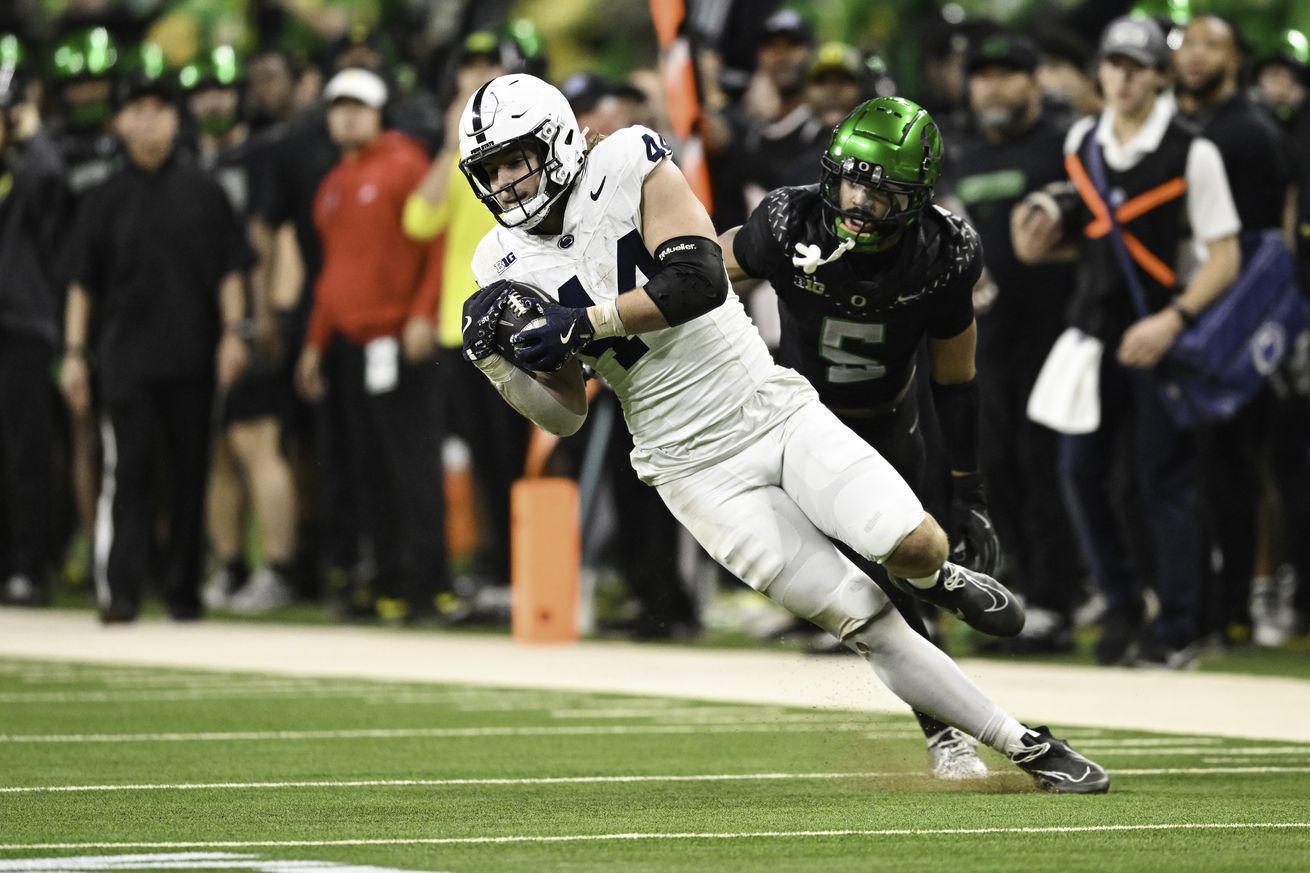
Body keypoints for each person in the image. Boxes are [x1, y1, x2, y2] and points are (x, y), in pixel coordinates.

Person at [457, 73, 1109, 794]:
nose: (503, 182)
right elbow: (567, 413)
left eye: (512, 159)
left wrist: (584, 322)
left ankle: (940, 577)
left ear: (554, 139)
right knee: (864, 617)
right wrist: (500, 366)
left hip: (767, 406)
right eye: (487, 170)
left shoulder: (627, 159)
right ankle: (1026, 745)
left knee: (915, 543)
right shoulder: (497, 262)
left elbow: (701, 278)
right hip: (688, 468)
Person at [719, 94, 1004, 779]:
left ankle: (947, 730)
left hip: (885, 426)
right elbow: (701, 274)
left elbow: (956, 377)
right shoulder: (790, 220)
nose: (860, 203)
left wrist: (969, 489)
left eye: (882, 194)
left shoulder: (945, 250)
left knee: (889, 589)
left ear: (916, 199)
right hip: (795, 422)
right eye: (852, 181)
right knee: (845, 585)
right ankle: (939, 600)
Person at [1012, 16, 1241, 668]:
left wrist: (1174, 319)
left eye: (1137, 66)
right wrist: (1043, 241)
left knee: (1161, 480)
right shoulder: (1084, 139)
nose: (1122, 77)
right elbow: (1091, 241)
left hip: (1161, 334)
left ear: (1159, 77)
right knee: (1078, 471)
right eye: (1113, 64)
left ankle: (1178, 625)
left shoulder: (1191, 150)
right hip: (1093, 331)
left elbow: (1224, 257)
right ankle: (1120, 603)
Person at [58, 68, 250, 623]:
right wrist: (74, 353)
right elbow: (81, 283)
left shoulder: (206, 192)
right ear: (119, 121)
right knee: (129, 474)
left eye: (159, 109)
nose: (149, 119)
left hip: (194, 356)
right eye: (137, 109)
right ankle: (120, 590)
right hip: (126, 360)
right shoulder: (102, 198)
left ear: (175, 118)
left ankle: (184, 593)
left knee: (191, 475)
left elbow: (230, 272)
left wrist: (234, 335)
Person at [944, 33, 1083, 651]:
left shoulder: (1063, 144)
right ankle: (1020, 592)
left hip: (1060, 335)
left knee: (1049, 466)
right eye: (983, 75)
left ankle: (1060, 597)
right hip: (985, 342)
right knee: (996, 469)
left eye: (1008, 74)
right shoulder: (962, 154)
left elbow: (1096, 217)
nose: (993, 87)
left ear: (1036, 82)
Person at [294, 68, 445, 624]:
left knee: (411, 468)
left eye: (358, 106)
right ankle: (385, 579)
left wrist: (422, 314)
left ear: (380, 111)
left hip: (399, 341)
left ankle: (426, 585)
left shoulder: (405, 164)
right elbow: (333, 274)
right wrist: (313, 343)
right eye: (338, 107)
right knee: (364, 471)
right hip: (351, 347)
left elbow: (435, 242)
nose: (347, 115)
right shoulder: (333, 183)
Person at [181, 46, 299, 613]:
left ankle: (278, 568)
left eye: (223, 91)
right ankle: (229, 566)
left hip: (245, 316)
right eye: (203, 92)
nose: (213, 102)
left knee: (258, 440)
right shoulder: (184, 162)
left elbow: (264, 241)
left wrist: (260, 316)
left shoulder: (261, 156)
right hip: (192, 321)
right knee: (217, 450)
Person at [0, 59, 69, 606]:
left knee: (27, 450)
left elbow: (48, 179)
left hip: (23, 324)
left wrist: (32, 129)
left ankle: (29, 562)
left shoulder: (31, 169)